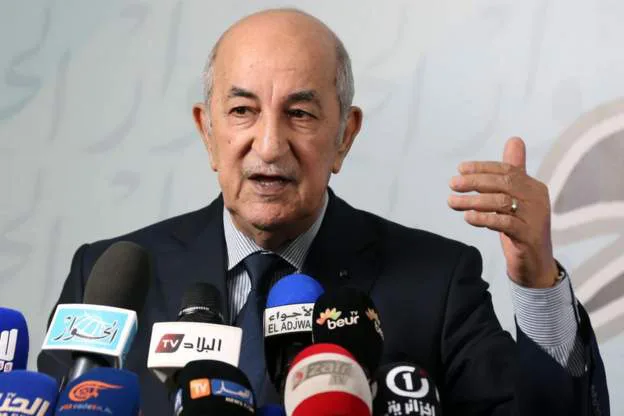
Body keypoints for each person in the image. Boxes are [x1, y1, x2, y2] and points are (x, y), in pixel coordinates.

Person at [38, 8, 609, 415]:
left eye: (300, 114)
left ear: (345, 136)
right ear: (206, 132)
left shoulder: (436, 282)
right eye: (242, 111)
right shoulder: (111, 279)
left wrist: (537, 281)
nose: (268, 146)